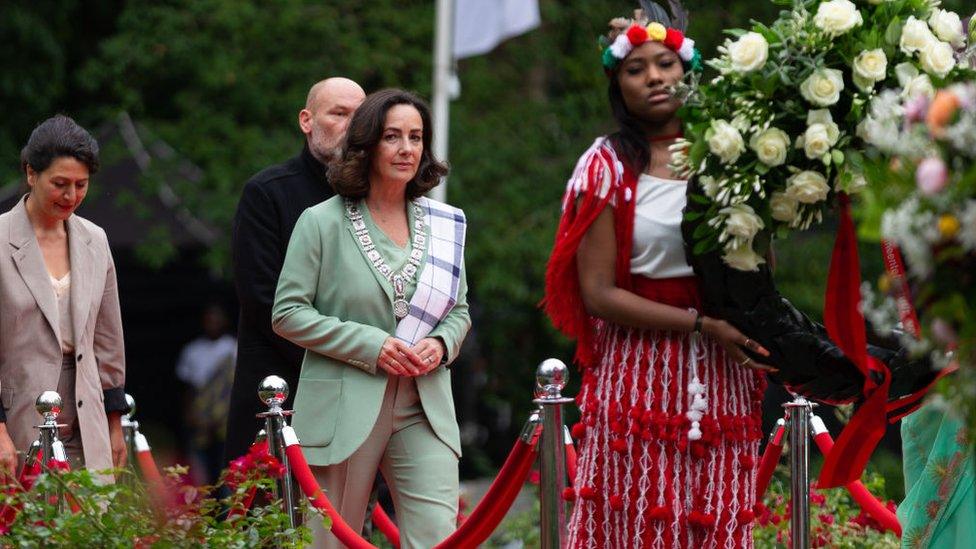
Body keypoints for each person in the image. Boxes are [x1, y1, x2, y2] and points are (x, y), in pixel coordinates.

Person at [543, 3, 772, 547]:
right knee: (638, 514)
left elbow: (758, 262)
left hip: (725, 368)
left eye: (665, 64)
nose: (654, 78)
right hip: (637, 369)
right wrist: (699, 326)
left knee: (716, 514)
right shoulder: (604, 165)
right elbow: (597, 294)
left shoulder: (726, 153)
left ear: (686, 71)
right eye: (636, 68)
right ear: (617, 84)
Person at [273, 88, 470, 549]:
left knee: (439, 539)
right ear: (367, 145)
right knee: (328, 542)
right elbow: (287, 313)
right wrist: (371, 344)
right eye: (393, 137)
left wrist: (441, 345)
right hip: (344, 402)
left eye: (416, 137)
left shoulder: (445, 223)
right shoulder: (320, 221)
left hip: (424, 404)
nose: (407, 149)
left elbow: (458, 311)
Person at [224, 77, 365, 464]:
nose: (352, 126)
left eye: (360, 116)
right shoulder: (267, 192)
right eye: (339, 114)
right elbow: (261, 297)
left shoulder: (379, 199)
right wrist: (342, 358)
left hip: (362, 387)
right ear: (307, 120)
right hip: (279, 383)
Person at [0, 115, 127, 476]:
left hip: (88, 407)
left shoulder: (95, 239)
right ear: (30, 173)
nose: (71, 196)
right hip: (19, 410)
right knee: (27, 526)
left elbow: (108, 339)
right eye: (59, 183)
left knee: (91, 519)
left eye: (81, 185)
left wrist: (114, 424)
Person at [175, 303, 236, 485]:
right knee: (200, 473)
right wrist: (191, 416)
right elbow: (187, 388)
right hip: (200, 421)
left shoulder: (234, 348)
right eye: (209, 319)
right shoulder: (192, 351)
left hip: (225, 421)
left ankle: (228, 512)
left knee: (227, 470)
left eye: (217, 318)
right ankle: (202, 510)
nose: (213, 323)